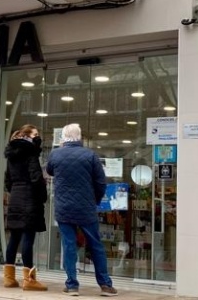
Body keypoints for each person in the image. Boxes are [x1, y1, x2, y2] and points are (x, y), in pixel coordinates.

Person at [45, 123, 117, 297]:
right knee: (95, 245)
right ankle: (105, 285)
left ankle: (71, 285)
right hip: (86, 208)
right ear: (80, 137)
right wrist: (95, 200)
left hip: (64, 207)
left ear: (63, 137)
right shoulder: (90, 155)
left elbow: (49, 171)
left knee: (69, 245)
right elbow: (101, 183)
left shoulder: (55, 154)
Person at [2, 124, 48, 291]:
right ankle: (29, 280)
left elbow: (7, 180)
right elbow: (36, 178)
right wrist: (43, 196)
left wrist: (15, 191)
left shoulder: (11, 155)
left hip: (16, 197)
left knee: (14, 238)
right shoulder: (30, 153)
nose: (38, 138)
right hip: (30, 198)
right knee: (28, 238)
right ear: (27, 136)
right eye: (35, 135)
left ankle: (9, 278)